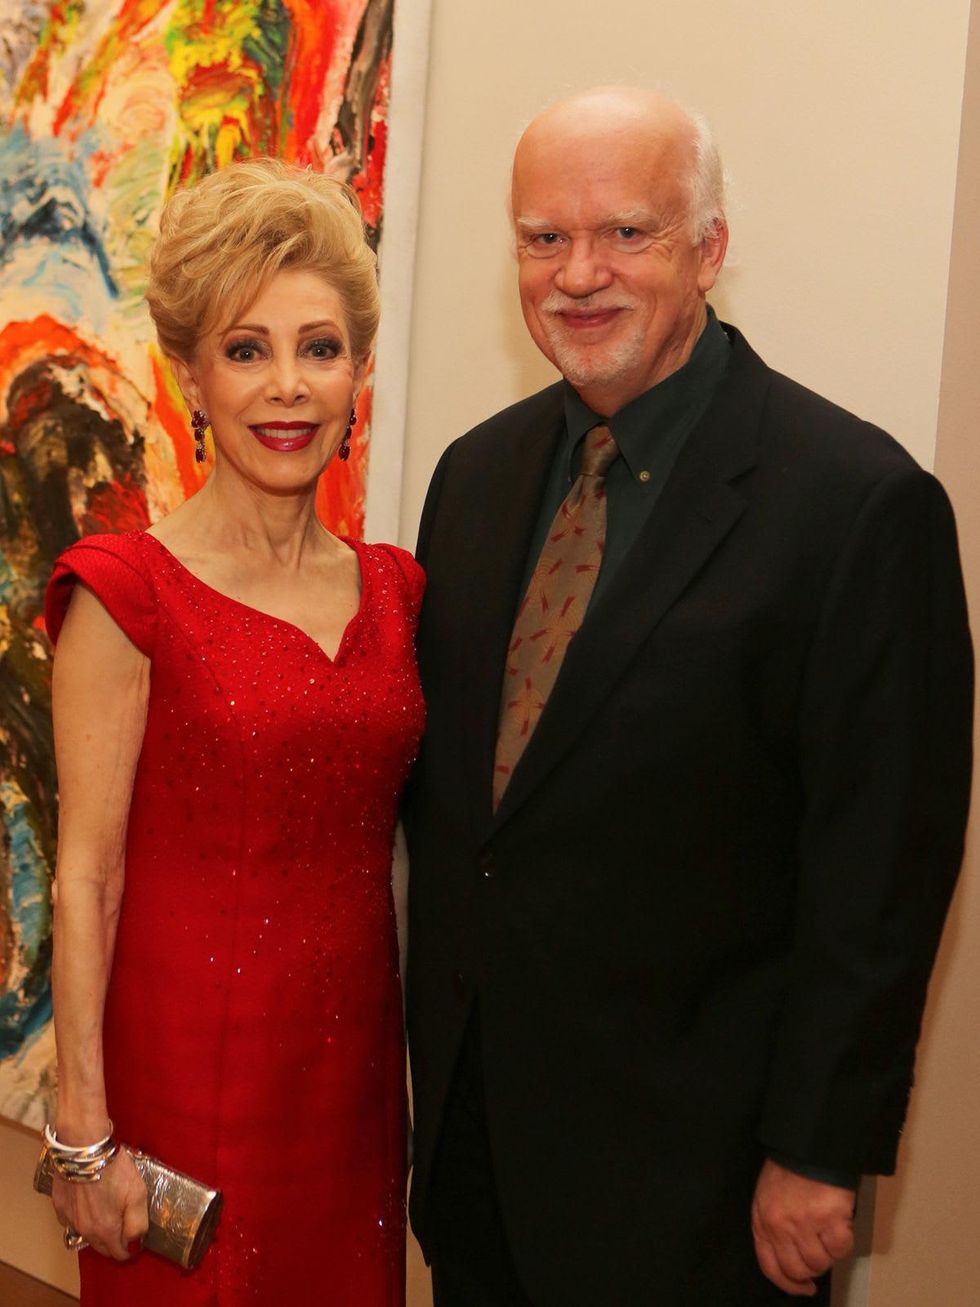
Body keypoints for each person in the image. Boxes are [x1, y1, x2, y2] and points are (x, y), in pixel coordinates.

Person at [404, 87, 973, 1306]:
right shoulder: (474, 476)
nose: (578, 274)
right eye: (541, 238)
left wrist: (817, 1149)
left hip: (697, 1183)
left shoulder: (855, 506)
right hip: (479, 1160)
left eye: (626, 232)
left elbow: (878, 868)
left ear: (708, 247)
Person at [43, 158, 423, 1305]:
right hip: (183, 1085)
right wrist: (81, 1131)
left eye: (318, 347)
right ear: (191, 375)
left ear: (357, 369)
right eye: (246, 349)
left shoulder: (401, 591)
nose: (286, 387)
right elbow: (84, 874)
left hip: (351, 1084)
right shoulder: (125, 589)